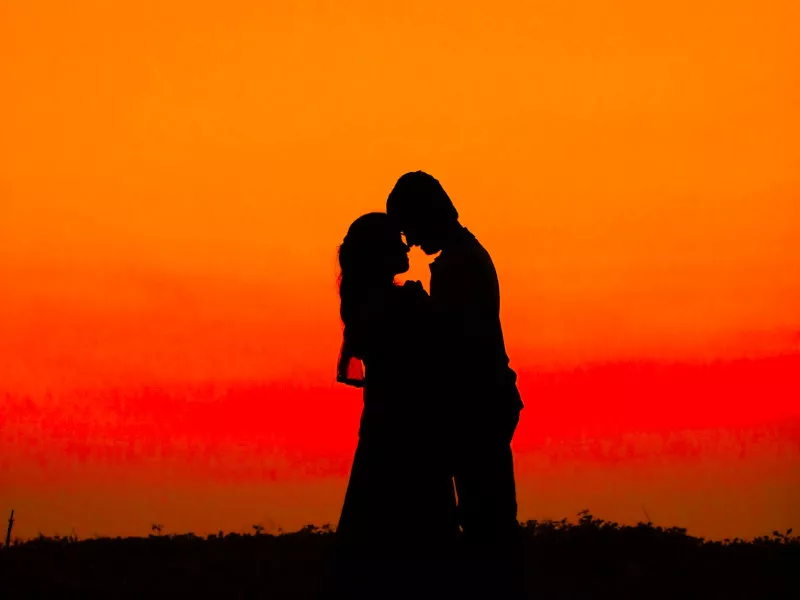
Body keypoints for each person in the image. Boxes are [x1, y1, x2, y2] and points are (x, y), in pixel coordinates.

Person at [387, 171, 525, 598]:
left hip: (478, 408)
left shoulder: (457, 266)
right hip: (485, 403)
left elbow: (452, 344)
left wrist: (418, 312)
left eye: (409, 228)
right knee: (488, 515)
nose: (408, 241)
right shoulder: (465, 257)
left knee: (486, 519)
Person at [328, 212, 458, 599]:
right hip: (410, 436)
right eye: (396, 240)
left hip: (385, 432)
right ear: (380, 253)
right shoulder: (399, 307)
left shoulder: (367, 306)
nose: (406, 246)